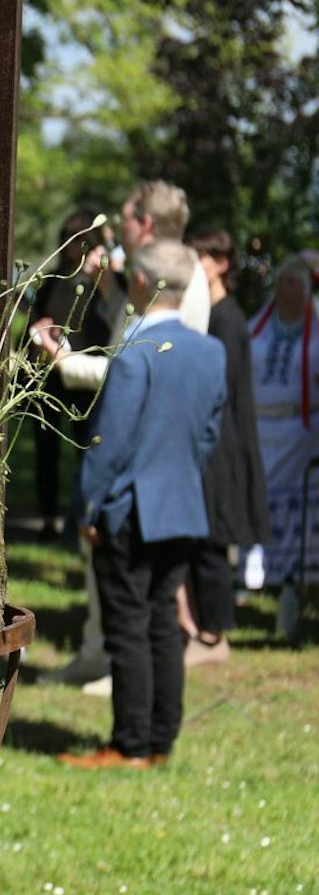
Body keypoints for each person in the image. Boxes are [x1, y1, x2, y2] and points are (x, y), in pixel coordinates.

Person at [31, 181, 208, 692]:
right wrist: (109, 290)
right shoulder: (147, 273)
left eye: (124, 218)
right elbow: (126, 338)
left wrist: (64, 361)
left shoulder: (182, 279)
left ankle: (119, 667)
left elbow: (139, 367)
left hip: (146, 444)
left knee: (134, 575)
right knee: (101, 559)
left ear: (145, 224)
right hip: (125, 429)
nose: (115, 229)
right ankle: (95, 653)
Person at [59, 241, 225, 770]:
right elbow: (208, 435)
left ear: (139, 283)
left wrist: (87, 509)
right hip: (182, 505)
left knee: (128, 623)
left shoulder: (137, 349)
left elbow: (109, 442)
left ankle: (130, 744)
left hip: (129, 507)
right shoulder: (211, 352)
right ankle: (159, 741)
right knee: (161, 622)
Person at [179, 230, 269, 664]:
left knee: (212, 538)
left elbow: (220, 386)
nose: (195, 265)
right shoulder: (208, 314)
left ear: (222, 263)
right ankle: (199, 628)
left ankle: (213, 637)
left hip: (221, 442)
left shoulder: (228, 319)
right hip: (207, 437)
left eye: (202, 257)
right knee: (199, 537)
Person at [26, 209, 121, 537]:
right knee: (46, 450)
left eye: (77, 241)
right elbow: (33, 325)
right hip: (49, 379)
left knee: (87, 447)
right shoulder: (50, 282)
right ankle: (49, 518)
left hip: (86, 380)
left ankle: (86, 516)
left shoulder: (103, 285)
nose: (70, 247)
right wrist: (39, 338)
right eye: (66, 239)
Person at [249, 257, 319, 639]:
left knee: (296, 511)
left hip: (300, 431)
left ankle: (292, 587)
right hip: (260, 428)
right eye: (282, 281)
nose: (285, 289)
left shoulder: (316, 327)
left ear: (307, 292)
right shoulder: (259, 325)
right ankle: (256, 576)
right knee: (259, 500)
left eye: (294, 283)